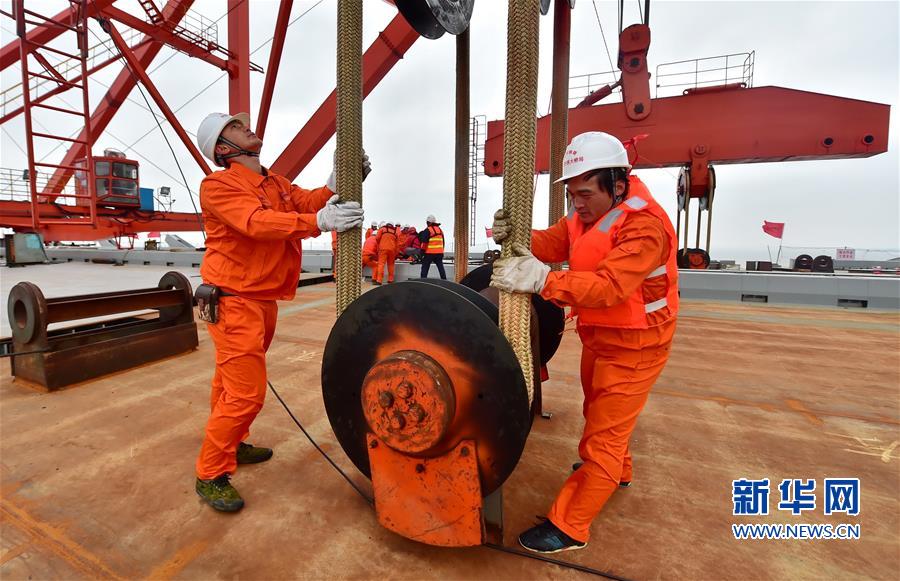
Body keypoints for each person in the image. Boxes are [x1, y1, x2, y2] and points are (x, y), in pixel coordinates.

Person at [490, 131, 678, 553]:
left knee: (602, 440)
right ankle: (619, 470)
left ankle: (570, 527)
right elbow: (550, 242)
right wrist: (508, 234)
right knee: (598, 411)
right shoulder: (585, 217)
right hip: (601, 338)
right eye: (573, 194)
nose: (578, 203)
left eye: (586, 193)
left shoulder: (645, 226)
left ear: (617, 182)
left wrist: (543, 279)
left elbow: (611, 287)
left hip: (637, 347)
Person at [193, 111, 368, 512]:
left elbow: (303, 202)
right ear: (223, 149)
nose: (246, 126)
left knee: (228, 383)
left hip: (261, 299)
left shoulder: (273, 182)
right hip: (235, 300)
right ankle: (211, 472)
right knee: (245, 394)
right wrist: (319, 222)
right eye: (235, 127)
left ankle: (232, 444)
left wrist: (334, 184)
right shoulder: (218, 185)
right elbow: (256, 223)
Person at [419, 214, 446, 279]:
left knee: (425, 267)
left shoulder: (428, 230)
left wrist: (422, 253)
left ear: (428, 222)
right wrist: (442, 251)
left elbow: (424, 243)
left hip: (429, 253)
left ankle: (423, 281)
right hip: (439, 253)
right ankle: (444, 280)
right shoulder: (440, 230)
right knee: (440, 267)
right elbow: (443, 242)